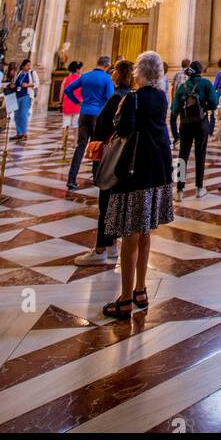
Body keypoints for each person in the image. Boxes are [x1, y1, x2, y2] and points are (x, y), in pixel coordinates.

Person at [102, 51, 174, 320]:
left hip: (136, 169)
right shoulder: (162, 96)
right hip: (159, 169)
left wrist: (120, 114)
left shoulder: (133, 98)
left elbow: (123, 130)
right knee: (145, 231)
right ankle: (141, 289)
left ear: (139, 72)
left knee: (130, 234)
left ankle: (124, 299)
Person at [75, 59, 134, 267]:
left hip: (109, 156)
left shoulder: (116, 98)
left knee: (106, 202)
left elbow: (100, 129)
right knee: (116, 201)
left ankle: (100, 249)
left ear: (118, 75)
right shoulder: (133, 97)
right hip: (125, 159)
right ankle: (112, 245)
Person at [64, 56, 114, 191]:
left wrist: (77, 101)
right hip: (98, 115)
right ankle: (96, 178)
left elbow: (67, 90)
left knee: (81, 146)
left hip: (84, 113)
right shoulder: (107, 79)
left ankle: (71, 180)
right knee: (97, 146)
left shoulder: (85, 76)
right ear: (107, 65)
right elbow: (110, 98)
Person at [170, 60, 218, 198]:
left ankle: (179, 190)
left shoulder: (183, 86)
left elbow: (174, 109)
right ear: (200, 71)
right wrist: (204, 108)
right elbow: (214, 103)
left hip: (185, 123)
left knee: (182, 156)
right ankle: (199, 188)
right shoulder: (206, 83)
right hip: (201, 123)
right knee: (200, 154)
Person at [12, 58, 34, 141]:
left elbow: (36, 83)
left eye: (30, 65)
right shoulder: (19, 73)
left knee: (24, 115)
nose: (29, 67)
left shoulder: (31, 73)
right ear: (23, 66)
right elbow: (16, 82)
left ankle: (24, 133)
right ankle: (18, 133)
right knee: (17, 115)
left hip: (26, 95)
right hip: (17, 95)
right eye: (28, 65)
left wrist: (28, 85)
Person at [61, 59, 83, 134]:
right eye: (80, 68)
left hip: (67, 103)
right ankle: (75, 143)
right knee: (76, 125)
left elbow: (62, 92)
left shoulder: (66, 79)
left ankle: (64, 143)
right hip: (78, 104)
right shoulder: (81, 80)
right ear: (77, 70)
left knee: (65, 124)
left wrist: (60, 101)